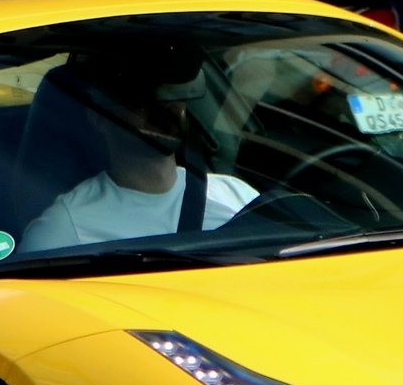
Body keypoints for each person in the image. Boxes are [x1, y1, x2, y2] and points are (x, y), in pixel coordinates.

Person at [21, 61, 258, 250]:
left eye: (174, 93)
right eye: (141, 97)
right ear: (99, 119)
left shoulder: (237, 196)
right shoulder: (65, 229)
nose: (165, 105)